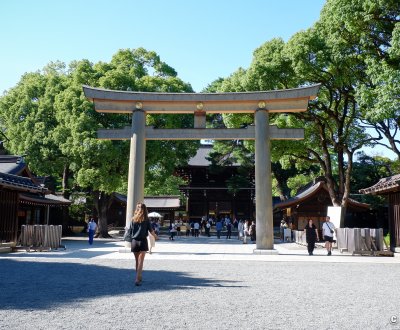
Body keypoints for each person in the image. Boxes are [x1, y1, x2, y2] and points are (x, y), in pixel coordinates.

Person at [128, 202, 157, 286]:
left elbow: (130, 231)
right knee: (141, 261)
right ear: (145, 209)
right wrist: (156, 236)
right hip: (143, 241)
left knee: (137, 261)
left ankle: (139, 277)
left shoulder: (133, 219)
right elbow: (151, 231)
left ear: (137, 209)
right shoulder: (146, 219)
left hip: (134, 241)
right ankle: (137, 279)